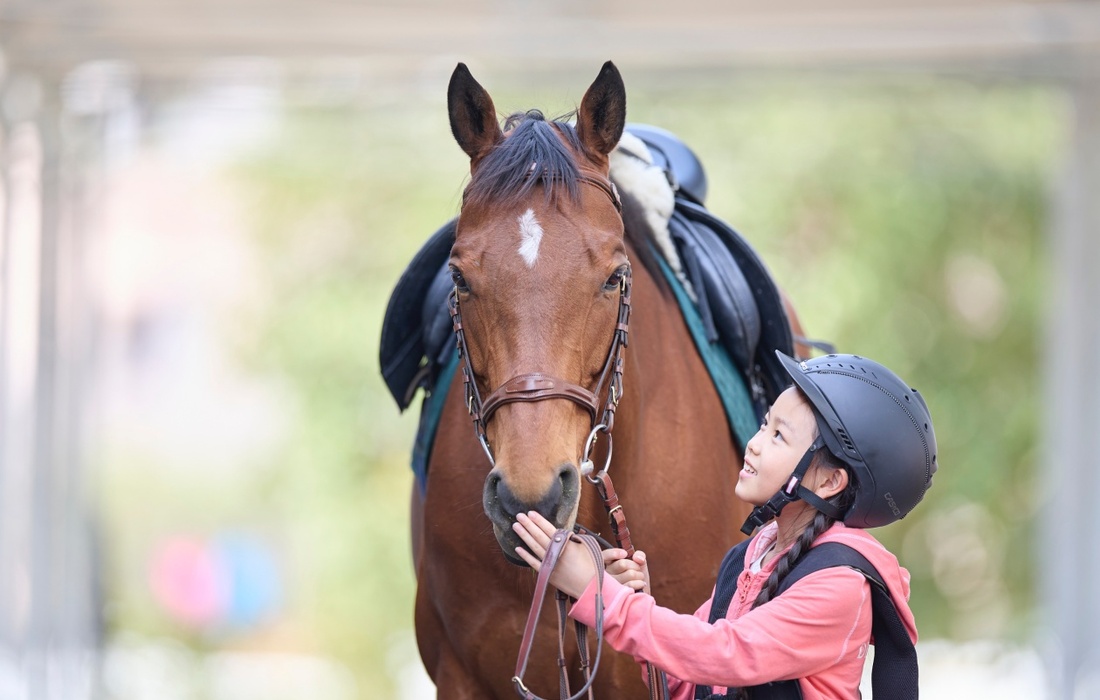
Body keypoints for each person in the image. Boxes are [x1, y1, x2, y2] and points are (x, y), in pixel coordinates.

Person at [513, 351, 938, 700]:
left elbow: (725, 654)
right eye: (764, 424)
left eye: (778, 436)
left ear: (829, 482)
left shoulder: (840, 586)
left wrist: (604, 598)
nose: (753, 444)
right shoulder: (750, 557)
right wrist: (630, 597)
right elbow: (688, 682)